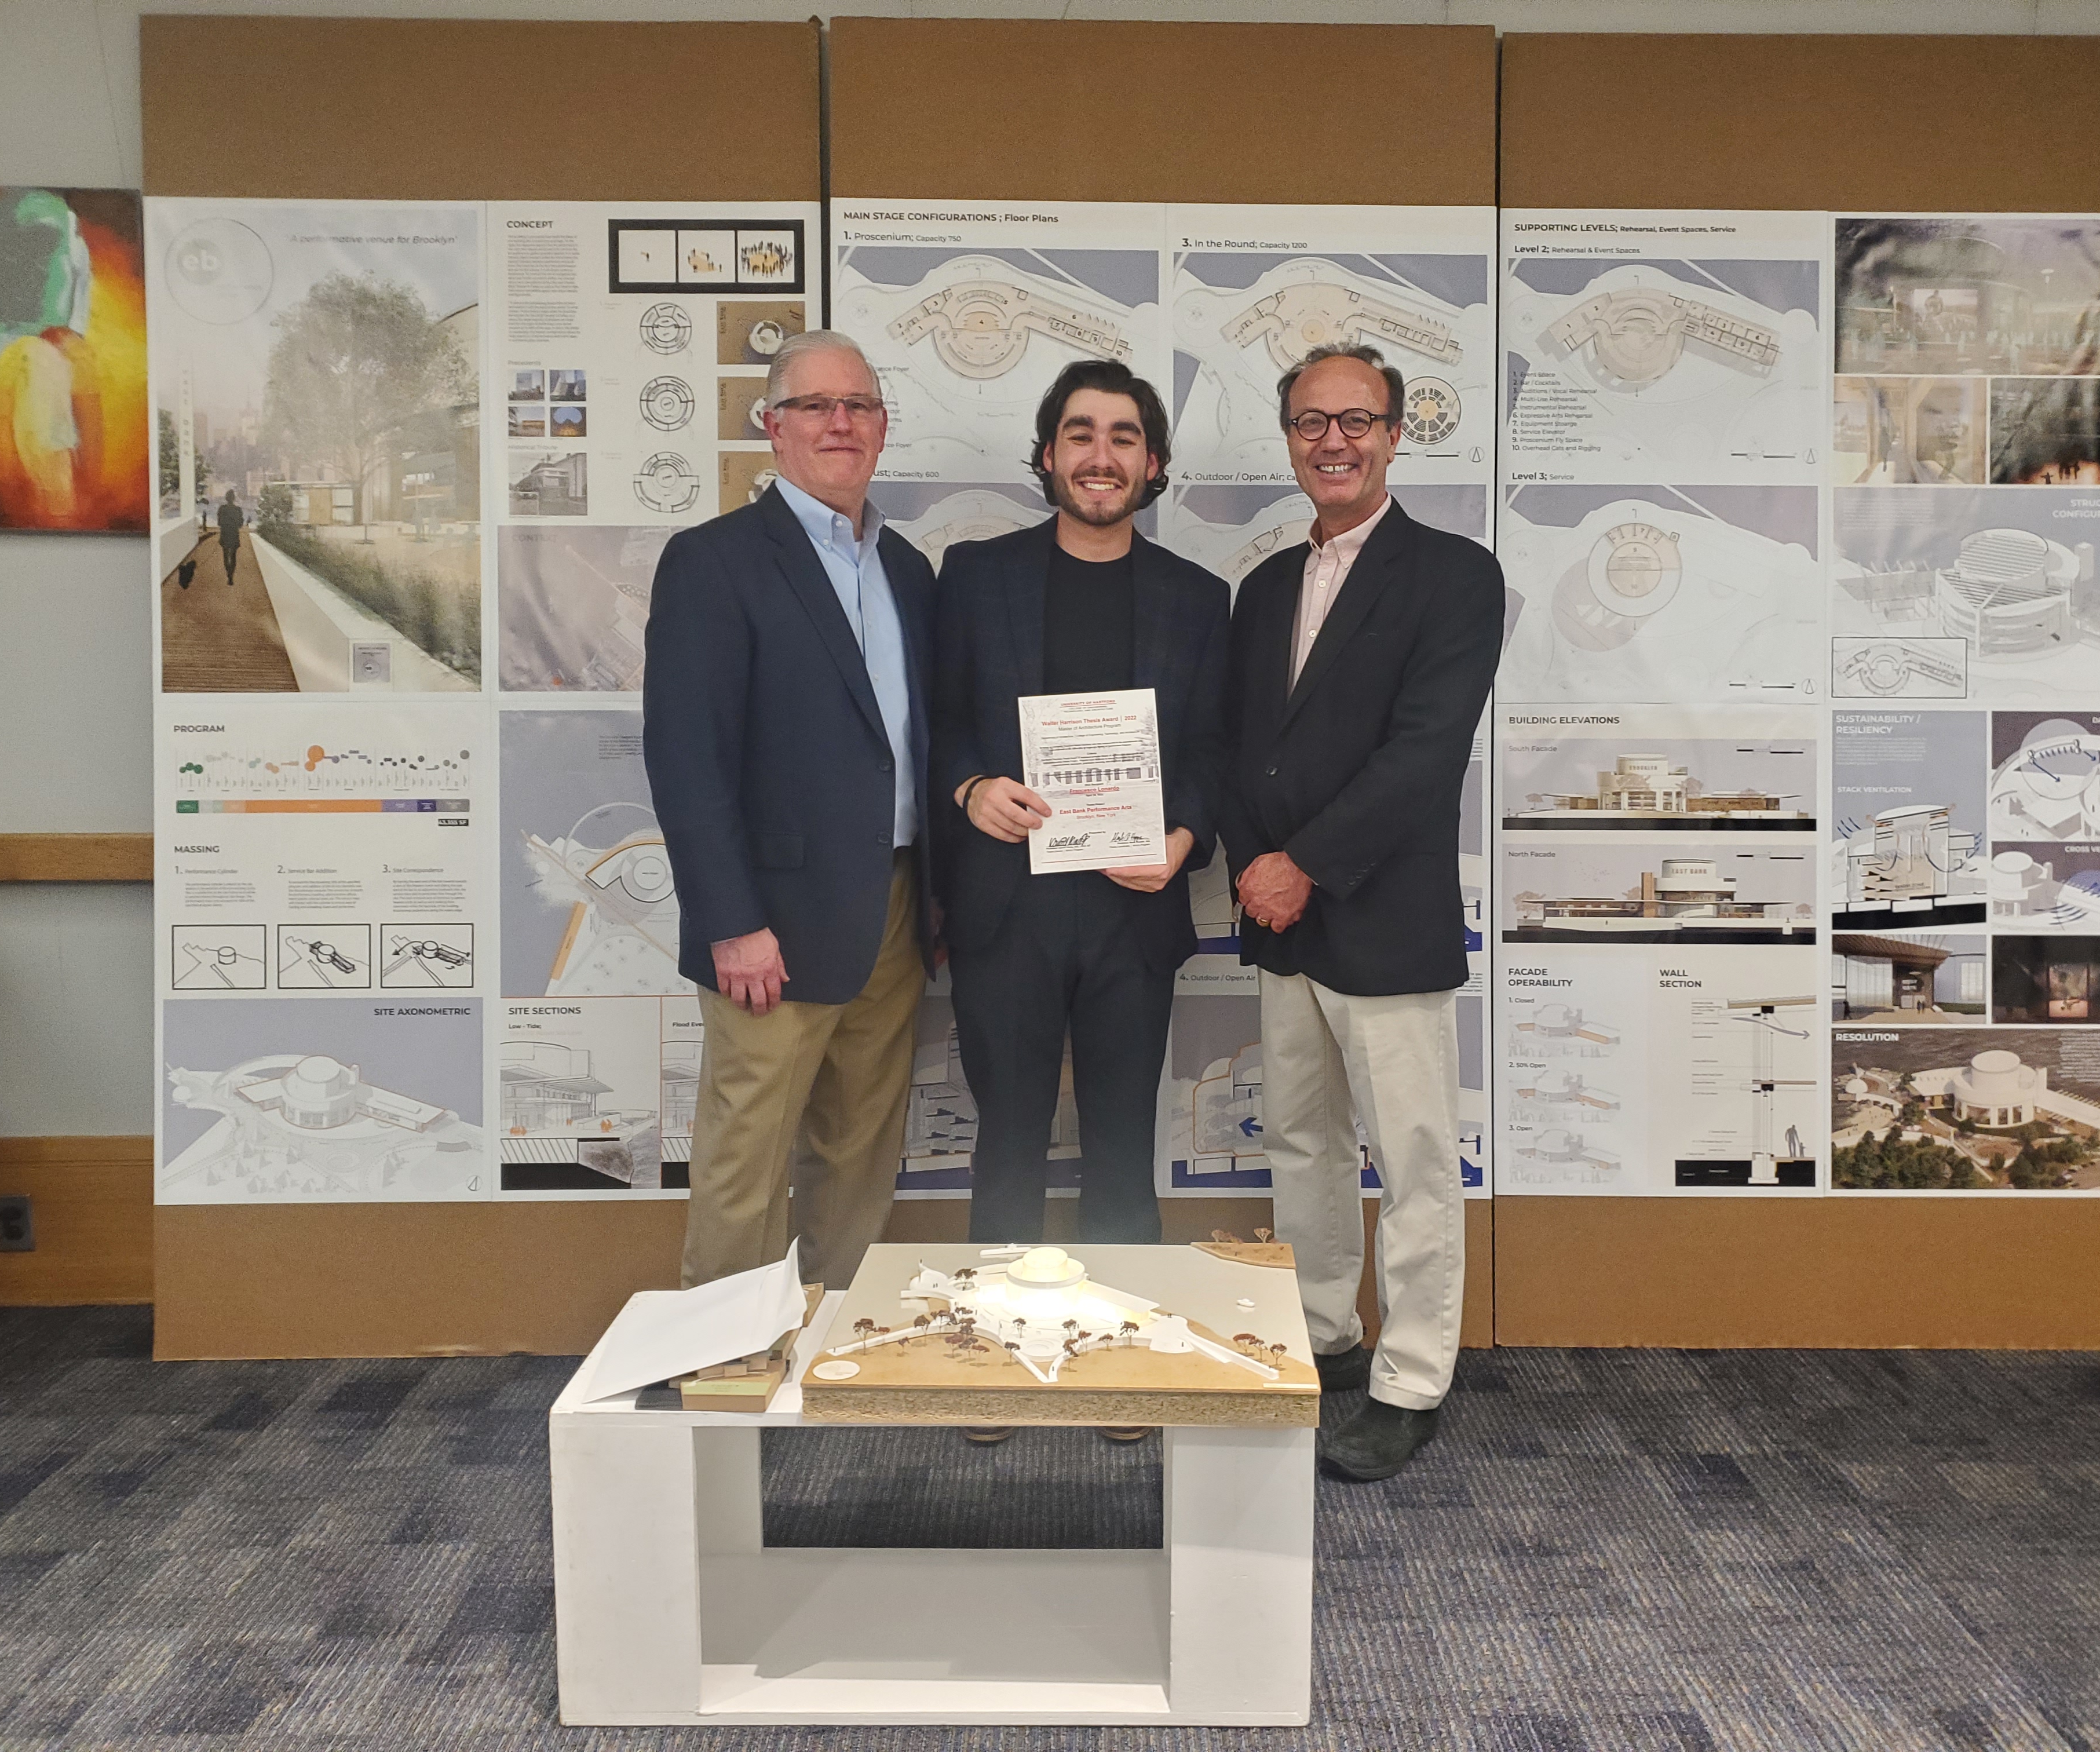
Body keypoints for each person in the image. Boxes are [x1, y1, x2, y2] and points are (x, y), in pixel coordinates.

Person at [1218, 341, 1504, 1483]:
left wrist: (1304, 865)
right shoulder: (1261, 589)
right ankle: (1328, 1339)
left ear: (1395, 433)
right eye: (1310, 424)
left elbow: (1423, 757)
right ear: (1288, 437)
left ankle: (1413, 1378)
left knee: (1417, 1161)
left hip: (1382, 917)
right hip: (1282, 920)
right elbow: (1240, 748)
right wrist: (1255, 863)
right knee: (1303, 1145)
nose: (1333, 442)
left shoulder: (1454, 575)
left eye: (1357, 421)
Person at [644, 330, 934, 1291]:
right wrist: (731, 921)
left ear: (883, 427)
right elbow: (686, 757)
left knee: (860, 1143)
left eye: (858, 404)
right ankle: (721, 1357)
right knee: (748, 1151)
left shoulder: (911, 572)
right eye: (813, 405)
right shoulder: (713, 562)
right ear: (771, 426)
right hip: (770, 918)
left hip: (893, 905)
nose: (838, 422)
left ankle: (830, 1329)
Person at [932, 359, 1227, 1247]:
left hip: (1133, 914)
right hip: (1006, 913)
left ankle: (1125, 1368)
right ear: (1049, 455)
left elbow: (1220, 752)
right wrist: (972, 786)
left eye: (1124, 438)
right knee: (1009, 1153)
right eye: (1081, 434)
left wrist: (1185, 837)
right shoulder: (977, 577)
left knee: (1124, 1158)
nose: (1102, 457)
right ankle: (993, 1366)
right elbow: (936, 722)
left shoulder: (1200, 598)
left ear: (1154, 465)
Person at [216, 489, 244, 583]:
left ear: (226, 498)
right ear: (234, 499)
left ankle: (228, 573)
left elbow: (219, 523)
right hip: (234, 534)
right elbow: (240, 524)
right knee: (233, 555)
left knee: (225, 554)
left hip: (225, 534)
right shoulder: (238, 510)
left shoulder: (222, 509)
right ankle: (231, 575)